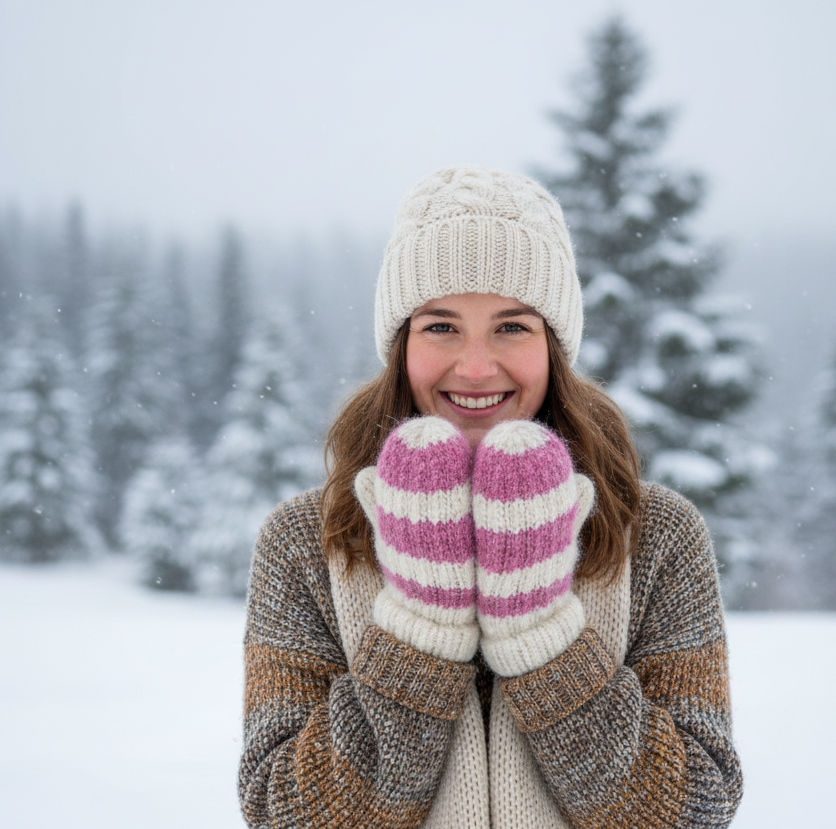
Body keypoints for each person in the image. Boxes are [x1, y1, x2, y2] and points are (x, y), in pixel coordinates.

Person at [238, 165, 742, 828]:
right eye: (441, 327)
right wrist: (421, 632)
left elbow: (694, 812)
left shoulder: (655, 534)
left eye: (511, 327)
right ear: (401, 346)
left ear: (555, 346)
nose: (475, 368)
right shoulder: (308, 539)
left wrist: (544, 640)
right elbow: (283, 815)